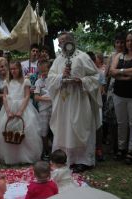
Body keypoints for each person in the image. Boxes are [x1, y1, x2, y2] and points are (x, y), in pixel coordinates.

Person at [46, 32, 102, 172]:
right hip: (63, 101)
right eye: (59, 42)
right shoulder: (58, 60)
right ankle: (63, 158)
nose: (62, 44)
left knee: (79, 127)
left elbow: (98, 77)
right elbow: (49, 79)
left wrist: (82, 81)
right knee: (64, 128)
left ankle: (83, 160)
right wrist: (61, 76)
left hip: (80, 99)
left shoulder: (83, 57)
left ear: (72, 40)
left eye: (65, 40)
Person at [0, 61, 42, 164]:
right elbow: (4, 96)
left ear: (19, 69)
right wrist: (7, 110)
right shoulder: (7, 82)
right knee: (7, 130)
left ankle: (24, 156)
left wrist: (21, 110)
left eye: (15, 69)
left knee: (25, 130)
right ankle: (11, 156)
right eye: (11, 69)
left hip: (23, 107)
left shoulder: (25, 81)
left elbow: (27, 96)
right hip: (9, 107)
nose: (13, 71)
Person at [110, 30, 132, 164]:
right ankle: (121, 148)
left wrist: (120, 72)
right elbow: (112, 71)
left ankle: (131, 150)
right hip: (119, 94)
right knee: (121, 123)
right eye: (128, 40)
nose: (129, 43)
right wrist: (129, 76)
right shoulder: (119, 56)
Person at [103, 32, 126, 152]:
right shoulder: (112, 56)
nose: (120, 44)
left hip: (125, 87)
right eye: (118, 42)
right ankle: (113, 144)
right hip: (112, 88)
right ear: (114, 44)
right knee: (111, 118)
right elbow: (106, 74)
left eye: (122, 42)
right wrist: (104, 89)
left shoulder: (128, 55)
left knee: (121, 119)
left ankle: (121, 145)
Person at [34, 60, 52, 160]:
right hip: (43, 109)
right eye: (41, 71)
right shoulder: (38, 82)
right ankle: (46, 151)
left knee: (56, 129)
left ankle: (56, 150)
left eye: (45, 70)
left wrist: (45, 98)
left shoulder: (53, 80)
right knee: (43, 130)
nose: (43, 73)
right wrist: (48, 98)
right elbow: (36, 97)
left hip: (54, 108)